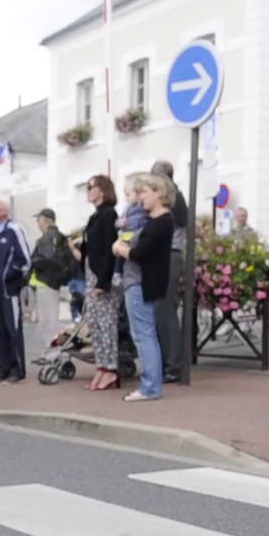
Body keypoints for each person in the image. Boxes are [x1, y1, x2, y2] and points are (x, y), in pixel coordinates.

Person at [112, 172, 175, 402]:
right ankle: (151, 385)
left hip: (141, 283)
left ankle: (150, 387)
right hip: (142, 283)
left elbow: (140, 254)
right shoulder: (158, 222)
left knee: (144, 336)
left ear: (159, 193)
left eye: (145, 192)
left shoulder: (160, 222)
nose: (141, 197)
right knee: (146, 335)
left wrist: (120, 249)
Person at [0, 198, 33, 384]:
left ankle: (17, 368)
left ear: (3, 211)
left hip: (8, 289)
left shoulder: (14, 230)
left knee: (12, 328)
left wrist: (7, 276)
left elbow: (25, 259)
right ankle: (3, 367)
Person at [80, 174, 121, 391]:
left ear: (102, 190)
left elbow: (109, 251)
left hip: (101, 277)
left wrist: (103, 282)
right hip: (91, 274)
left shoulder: (108, 215)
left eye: (90, 187)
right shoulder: (95, 216)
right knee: (95, 324)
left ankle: (111, 369)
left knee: (106, 324)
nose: (87, 191)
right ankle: (101, 365)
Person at [151, 160, 187, 383]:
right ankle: (168, 362)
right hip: (168, 254)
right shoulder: (174, 197)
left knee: (166, 311)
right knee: (162, 311)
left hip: (170, 254)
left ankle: (173, 365)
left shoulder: (173, 198)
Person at [28, 208, 72, 363]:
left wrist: (34, 262)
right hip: (49, 282)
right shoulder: (56, 237)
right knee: (48, 320)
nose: (37, 223)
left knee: (48, 321)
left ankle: (53, 353)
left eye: (39, 220)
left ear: (46, 220)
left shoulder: (49, 237)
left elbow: (48, 259)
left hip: (46, 281)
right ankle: (50, 351)